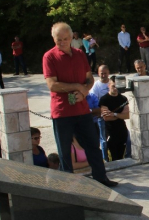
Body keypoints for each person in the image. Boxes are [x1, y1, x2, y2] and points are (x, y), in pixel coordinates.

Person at [43, 22, 117, 187]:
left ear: (72, 38)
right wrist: (77, 87)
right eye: (58, 39)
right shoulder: (49, 56)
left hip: (82, 110)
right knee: (64, 153)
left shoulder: (79, 54)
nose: (62, 42)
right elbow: (52, 85)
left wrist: (84, 91)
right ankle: (68, 187)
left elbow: (89, 78)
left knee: (93, 146)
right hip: (62, 112)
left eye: (65, 38)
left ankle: (101, 179)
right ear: (53, 38)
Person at [99, 76, 129, 161]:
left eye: (117, 86)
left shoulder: (123, 99)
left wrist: (114, 114)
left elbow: (127, 116)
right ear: (109, 85)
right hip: (110, 132)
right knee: (114, 158)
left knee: (121, 157)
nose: (115, 88)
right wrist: (120, 115)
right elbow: (106, 117)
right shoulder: (104, 99)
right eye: (113, 86)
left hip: (122, 131)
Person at [90, 65, 112, 161]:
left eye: (105, 73)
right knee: (103, 140)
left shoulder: (112, 83)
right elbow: (95, 102)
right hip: (102, 116)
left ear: (108, 73)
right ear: (98, 73)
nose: (103, 75)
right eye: (101, 73)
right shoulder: (96, 86)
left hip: (114, 115)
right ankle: (105, 159)